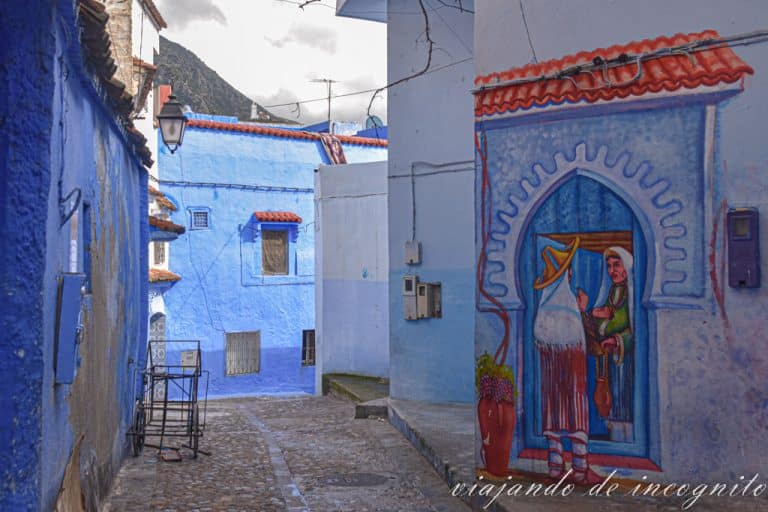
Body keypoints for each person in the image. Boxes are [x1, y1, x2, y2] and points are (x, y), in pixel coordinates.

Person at [533, 238, 592, 482]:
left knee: (553, 408)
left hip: (551, 371)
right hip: (573, 367)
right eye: (568, 272)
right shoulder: (570, 307)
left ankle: (555, 464)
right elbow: (578, 336)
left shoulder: (545, 308)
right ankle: (580, 466)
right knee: (576, 406)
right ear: (566, 275)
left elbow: (540, 335)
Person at [577, 246, 634, 442]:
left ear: (627, 267)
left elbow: (636, 329)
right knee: (608, 402)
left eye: (616, 265)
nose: (612, 270)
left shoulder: (630, 295)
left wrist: (617, 340)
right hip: (607, 362)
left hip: (625, 361)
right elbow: (597, 329)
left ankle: (626, 443)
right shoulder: (611, 293)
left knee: (624, 402)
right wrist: (587, 311)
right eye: (609, 266)